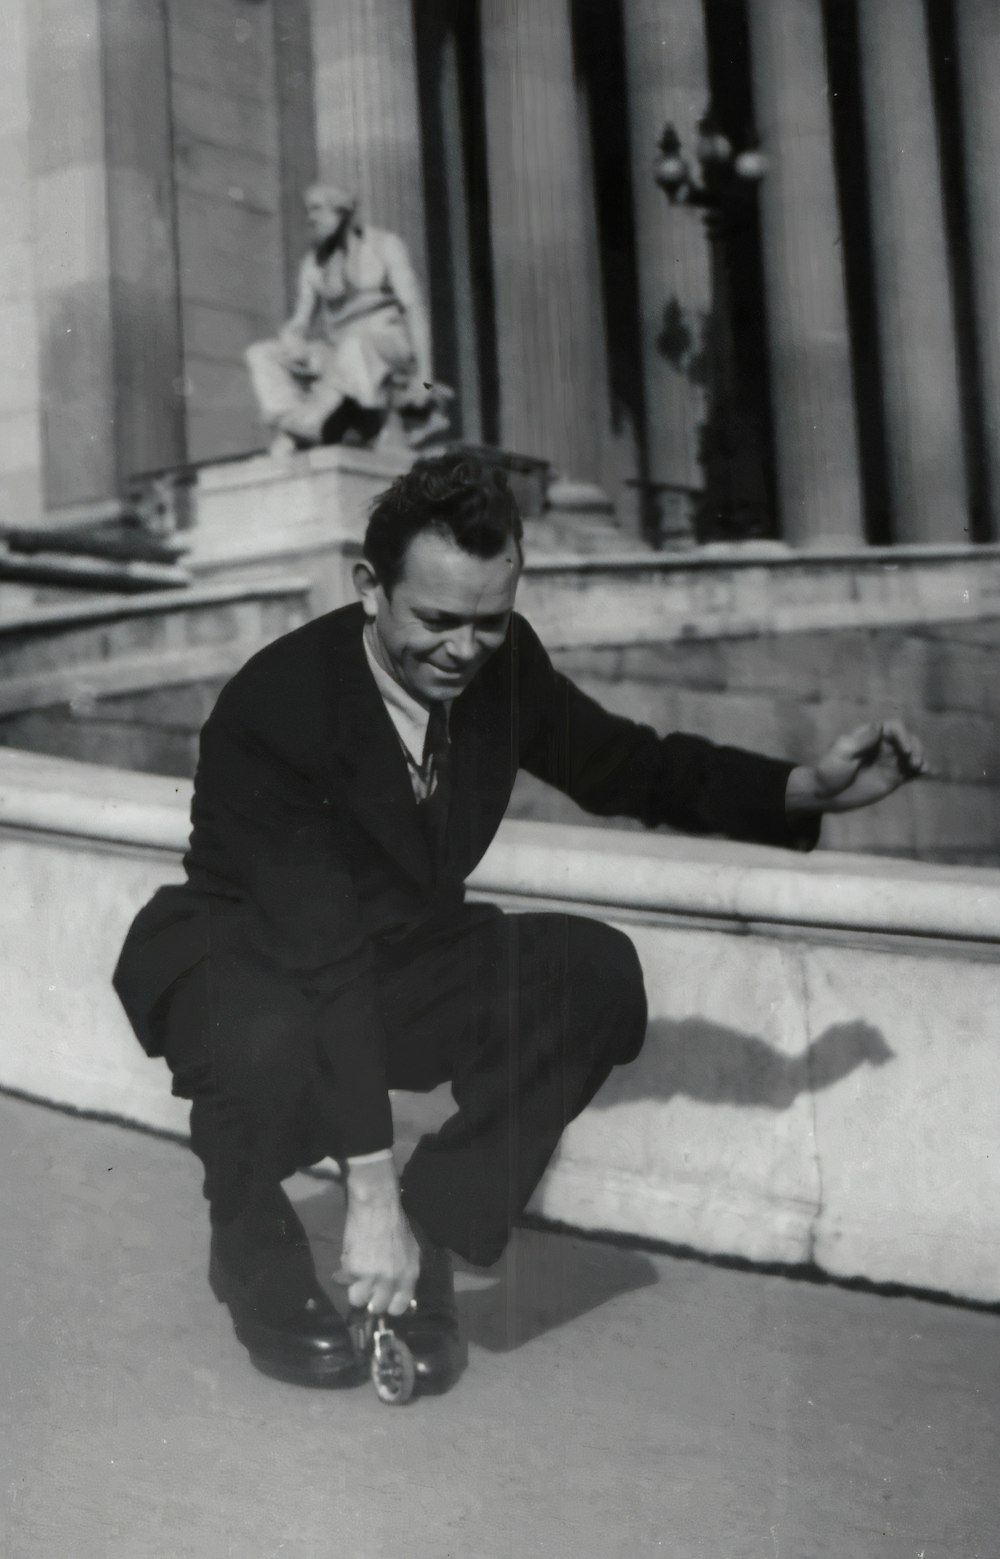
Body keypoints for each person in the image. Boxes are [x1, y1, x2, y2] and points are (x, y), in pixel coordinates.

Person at [113, 453, 927, 1396]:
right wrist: (363, 1188)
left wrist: (802, 787)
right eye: (437, 621)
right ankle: (249, 1237)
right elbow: (320, 949)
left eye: (489, 622)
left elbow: (628, 763)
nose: (465, 650)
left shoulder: (502, 665)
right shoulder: (277, 705)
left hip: (388, 963)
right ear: (370, 588)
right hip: (245, 963)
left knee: (591, 972)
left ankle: (433, 1231)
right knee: (266, 1033)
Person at [245, 184, 450, 456]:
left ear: (341, 212)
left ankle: (318, 419)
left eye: (317, 209)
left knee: (356, 345)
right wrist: (292, 338)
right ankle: (292, 419)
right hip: (340, 351)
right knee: (262, 353)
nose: (311, 219)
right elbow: (300, 320)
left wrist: (425, 380)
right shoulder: (313, 264)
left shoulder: (385, 246)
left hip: (387, 343)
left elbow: (414, 309)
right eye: (309, 211)